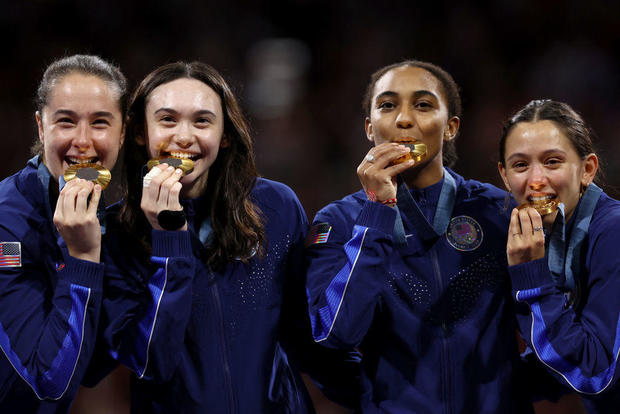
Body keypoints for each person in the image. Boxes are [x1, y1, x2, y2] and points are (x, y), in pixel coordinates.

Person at [99, 61, 331, 413]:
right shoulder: (116, 231)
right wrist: (169, 243)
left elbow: (308, 337)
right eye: (167, 119)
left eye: (202, 121)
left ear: (225, 136)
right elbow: (150, 361)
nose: (184, 136)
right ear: (139, 132)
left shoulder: (276, 207)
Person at [305, 60, 532, 413]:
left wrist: (510, 392)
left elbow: (542, 322)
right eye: (387, 105)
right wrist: (377, 211)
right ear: (369, 128)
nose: (404, 119)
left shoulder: (498, 211)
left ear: (451, 127)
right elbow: (337, 332)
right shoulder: (339, 221)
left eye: (423, 105)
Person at [0, 55, 127, 413]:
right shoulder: (6, 228)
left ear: (123, 132)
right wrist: (83, 259)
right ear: (41, 128)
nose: (83, 141)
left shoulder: (105, 221)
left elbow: (93, 364)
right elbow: (48, 386)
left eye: (100, 123)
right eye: (66, 121)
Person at [498, 99, 620, 414]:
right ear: (504, 176)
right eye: (521, 165)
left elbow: (595, 376)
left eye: (552, 162)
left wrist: (532, 280)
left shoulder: (613, 232)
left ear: (587, 170)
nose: (536, 180)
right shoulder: (543, 232)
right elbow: (555, 370)